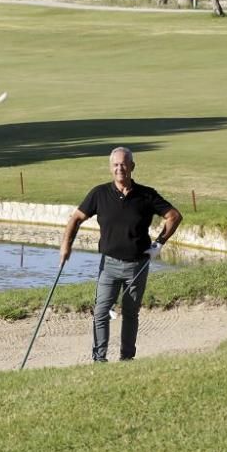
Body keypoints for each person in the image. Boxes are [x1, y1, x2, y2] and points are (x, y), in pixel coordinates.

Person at [60, 147, 182, 363]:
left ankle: (127, 358)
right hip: (108, 265)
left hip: (137, 265)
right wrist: (66, 245)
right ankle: (100, 359)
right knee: (100, 311)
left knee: (130, 313)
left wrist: (159, 244)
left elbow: (173, 216)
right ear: (110, 168)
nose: (120, 168)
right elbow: (76, 219)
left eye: (124, 164)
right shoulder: (99, 194)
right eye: (116, 165)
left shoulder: (146, 195)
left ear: (132, 167)